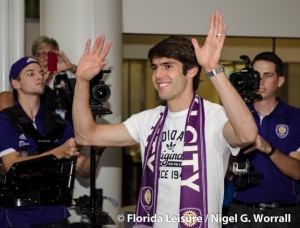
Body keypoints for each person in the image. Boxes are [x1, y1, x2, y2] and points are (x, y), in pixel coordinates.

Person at [72, 12, 258, 228]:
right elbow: (86, 135)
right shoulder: (148, 119)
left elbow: (247, 134)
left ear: (191, 71)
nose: (158, 74)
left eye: (167, 66)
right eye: (155, 67)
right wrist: (81, 81)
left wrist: (213, 69)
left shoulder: (214, 116)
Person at [0, 57, 100, 227]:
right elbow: (11, 165)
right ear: (15, 83)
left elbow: (83, 170)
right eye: (30, 74)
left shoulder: (59, 124)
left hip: (56, 214)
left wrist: (98, 149)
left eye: (40, 73)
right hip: (18, 215)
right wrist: (58, 152)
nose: (39, 77)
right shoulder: (6, 120)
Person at [226, 52, 300, 227]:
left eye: (268, 75)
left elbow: (297, 171)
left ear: (280, 81)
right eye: (256, 75)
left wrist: (268, 148)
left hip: (282, 212)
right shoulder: (234, 115)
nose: (260, 81)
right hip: (240, 210)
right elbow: (225, 169)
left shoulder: (295, 117)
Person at [32, 36, 77, 123]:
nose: (45, 58)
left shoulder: (66, 75)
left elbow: (92, 80)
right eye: (40, 54)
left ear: (56, 56)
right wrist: (42, 81)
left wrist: (72, 68)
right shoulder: (29, 79)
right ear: (34, 58)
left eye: (50, 54)